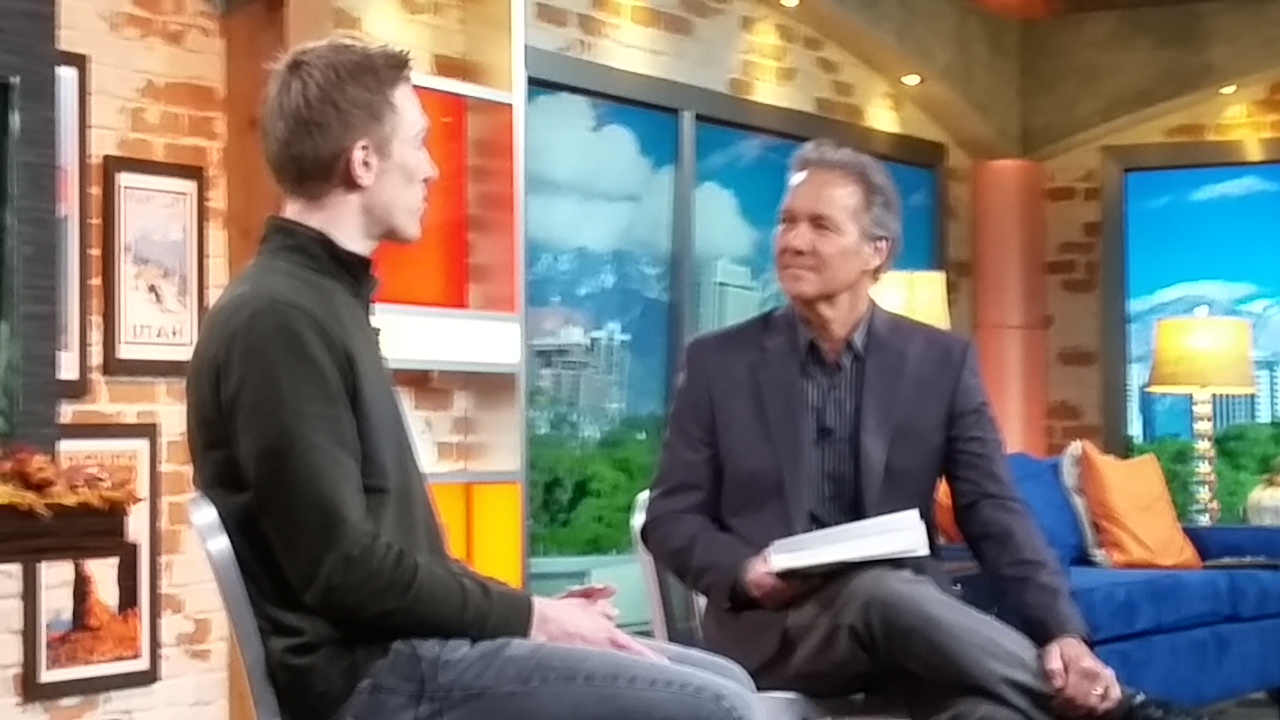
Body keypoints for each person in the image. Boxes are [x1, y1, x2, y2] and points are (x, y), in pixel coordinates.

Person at [186, 36, 766, 720]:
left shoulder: (320, 304)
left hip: (407, 654)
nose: (432, 168)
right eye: (418, 142)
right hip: (372, 678)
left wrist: (528, 610)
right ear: (364, 161)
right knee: (721, 707)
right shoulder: (278, 320)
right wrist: (532, 619)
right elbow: (340, 570)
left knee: (728, 679)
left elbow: (389, 557)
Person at [642, 138, 1206, 720]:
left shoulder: (941, 361)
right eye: (787, 222)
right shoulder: (718, 363)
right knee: (877, 592)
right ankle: (1123, 711)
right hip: (782, 633)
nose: (793, 241)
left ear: (877, 252)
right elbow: (671, 516)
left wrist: (1063, 634)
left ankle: (1094, 699)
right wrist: (744, 572)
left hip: (912, 633)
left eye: (820, 226)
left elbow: (993, 510)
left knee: (992, 716)